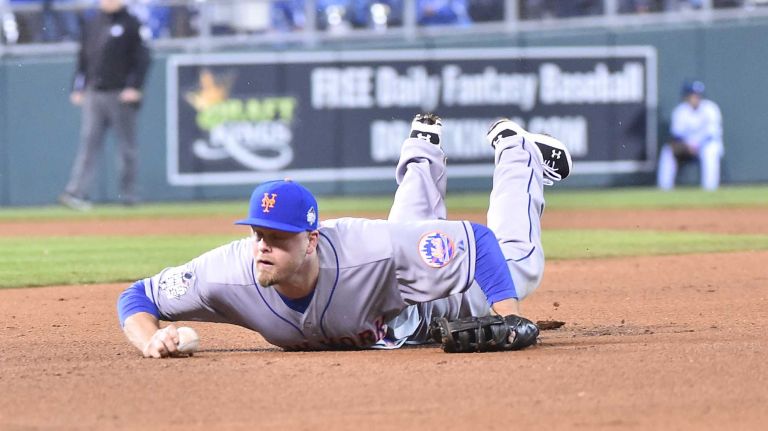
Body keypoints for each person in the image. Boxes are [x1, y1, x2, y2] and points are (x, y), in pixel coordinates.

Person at [116, 113, 572, 357]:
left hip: (430, 307)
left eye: (279, 237)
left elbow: (480, 243)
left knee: (518, 265)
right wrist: (150, 339)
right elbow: (138, 296)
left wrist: (509, 318)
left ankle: (518, 152)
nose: (263, 246)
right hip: (390, 271)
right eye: (258, 233)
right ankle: (422, 148)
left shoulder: (364, 251)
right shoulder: (228, 273)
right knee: (403, 238)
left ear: (311, 240)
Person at [59, 0, 151, 210]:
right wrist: (78, 86)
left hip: (120, 94)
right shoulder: (93, 23)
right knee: (88, 146)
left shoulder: (132, 23)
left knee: (126, 148)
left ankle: (129, 195)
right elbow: (83, 58)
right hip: (95, 93)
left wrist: (134, 86)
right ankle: (76, 193)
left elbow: (143, 58)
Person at [657, 80, 723, 191]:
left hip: (706, 145)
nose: (695, 98)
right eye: (692, 95)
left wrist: (697, 146)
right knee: (667, 150)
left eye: (697, 95)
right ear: (686, 96)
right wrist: (686, 146)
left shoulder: (710, 109)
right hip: (686, 147)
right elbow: (677, 136)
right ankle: (664, 188)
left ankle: (710, 189)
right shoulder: (680, 111)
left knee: (710, 151)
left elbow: (712, 135)